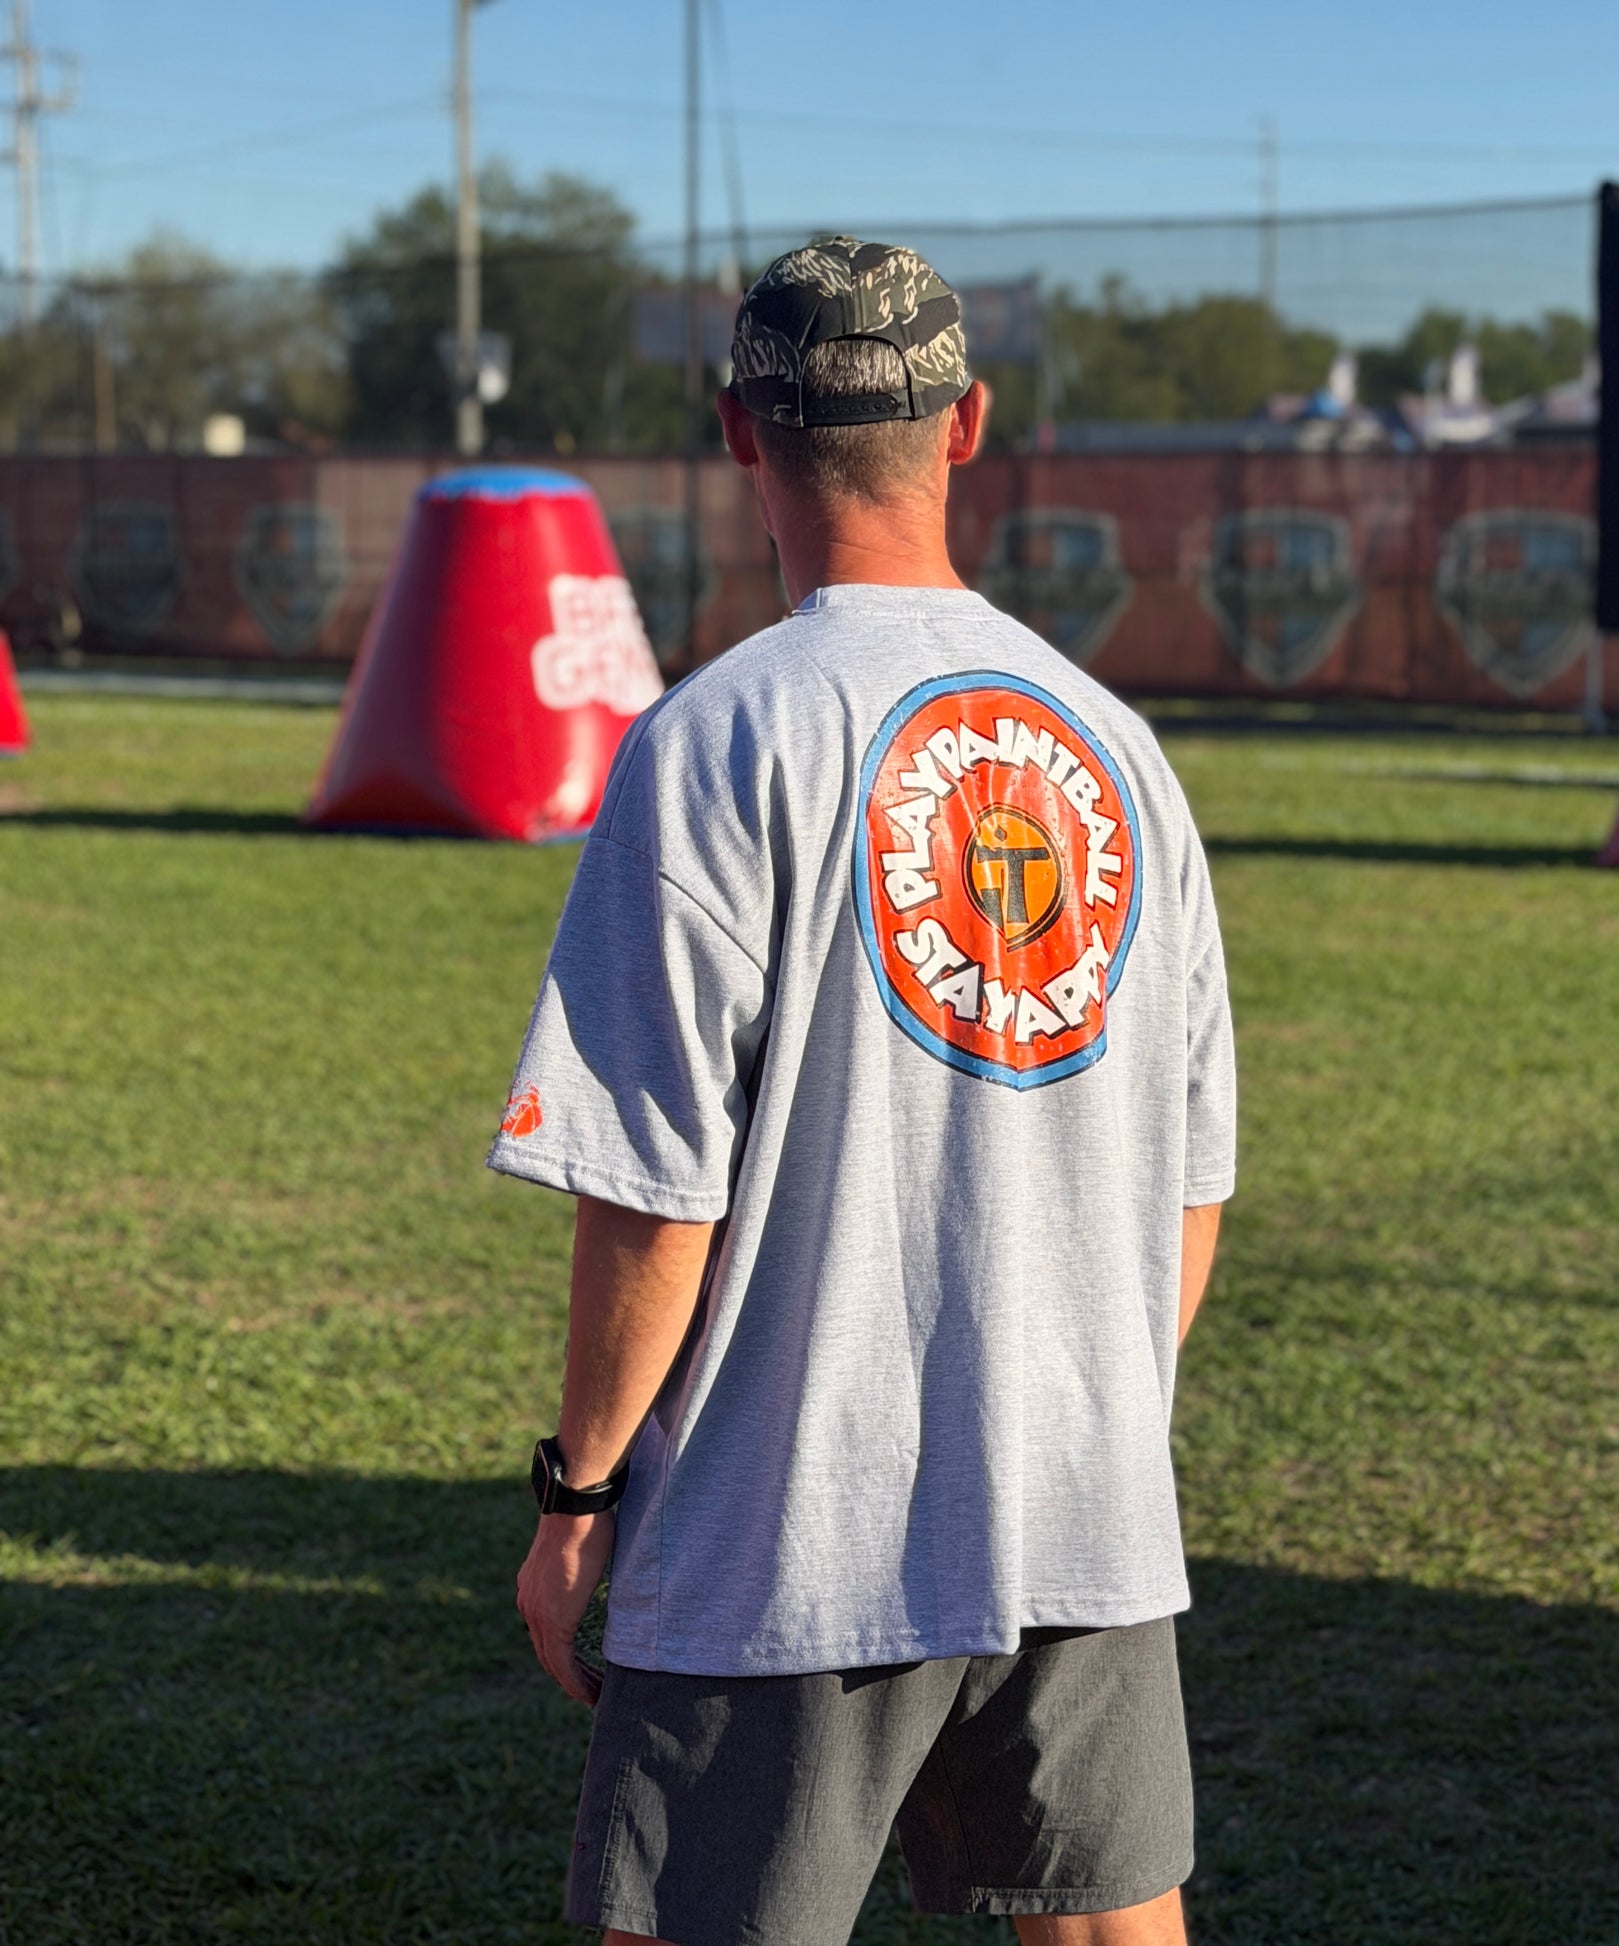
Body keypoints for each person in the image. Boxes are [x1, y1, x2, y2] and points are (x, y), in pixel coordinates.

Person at [494, 237, 1235, 1946]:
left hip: (786, 1527)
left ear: (737, 434)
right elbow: (1188, 1186)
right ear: (966, 424)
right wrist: (1085, 1419)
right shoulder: (1120, 747)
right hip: (1081, 1506)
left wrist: (578, 1494)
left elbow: (655, 1195)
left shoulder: (714, 739)